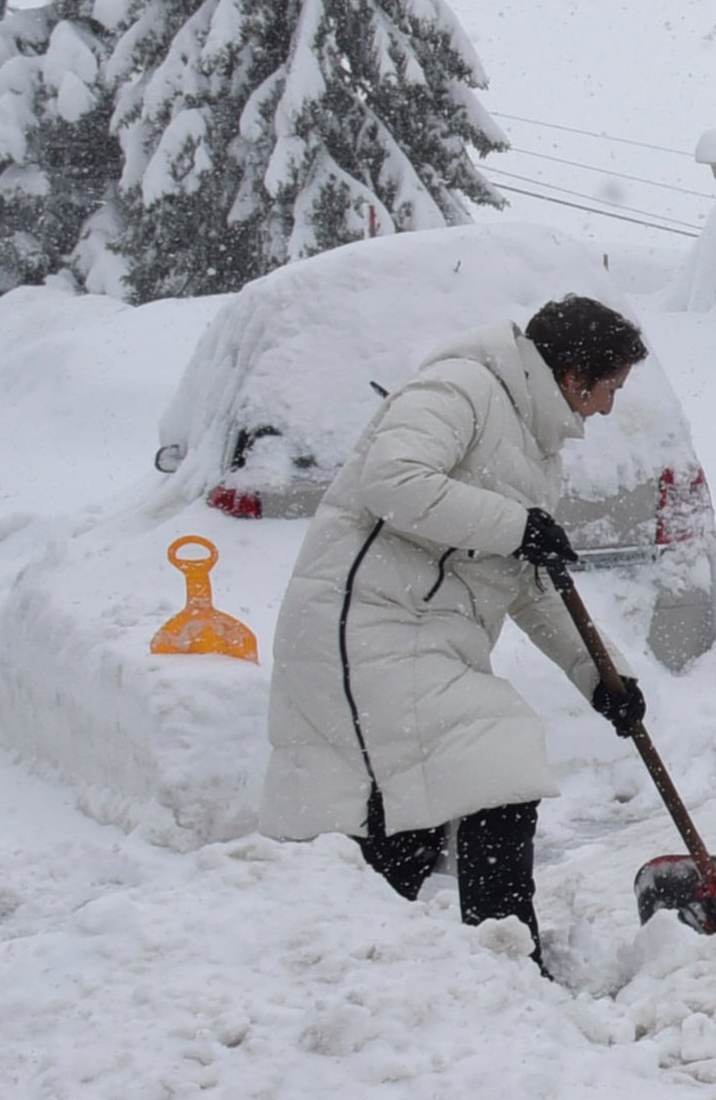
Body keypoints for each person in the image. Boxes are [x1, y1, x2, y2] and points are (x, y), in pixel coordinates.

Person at [261, 295, 654, 961]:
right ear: (573, 374)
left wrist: (604, 677)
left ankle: (390, 967)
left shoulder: (535, 447)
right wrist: (515, 525)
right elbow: (393, 481)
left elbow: (530, 582)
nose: (609, 408)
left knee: (409, 818)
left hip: (422, 637)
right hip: (362, 623)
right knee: (487, 767)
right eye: (610, 388)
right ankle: (501, 960)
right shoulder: (461, 385)